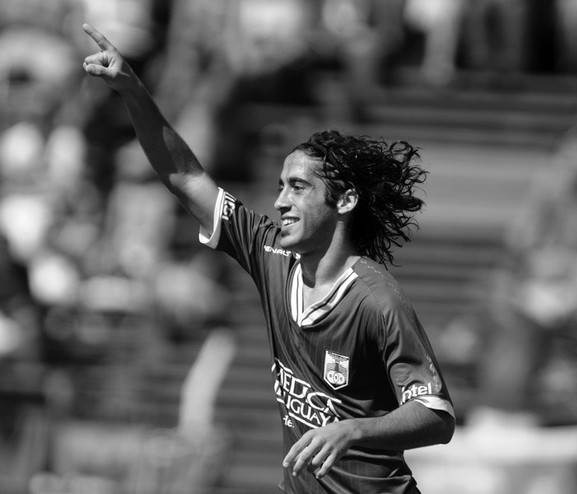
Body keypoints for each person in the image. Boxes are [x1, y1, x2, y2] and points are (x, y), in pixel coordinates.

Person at [81, 22, 455, 494]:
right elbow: (184, 175)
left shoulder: (377, 300)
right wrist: (133, 92)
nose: (280, 201)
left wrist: (353, 429)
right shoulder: (271, 254)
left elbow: (436, 416)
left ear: (344, 201)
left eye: (298, 187)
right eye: (280, 186)